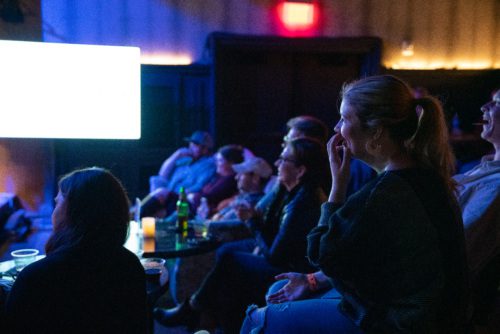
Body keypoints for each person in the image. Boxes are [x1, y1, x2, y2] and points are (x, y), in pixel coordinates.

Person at [241, 75, 469, 333]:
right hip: (435, 316)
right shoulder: (426, 177)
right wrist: (312, 281)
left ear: (377, 131)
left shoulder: (384, 193)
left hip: (401, 323)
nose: (337, 128)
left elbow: (321, 255)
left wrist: (337, 185)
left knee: (257, 320)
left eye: (345, 119)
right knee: (277, 290)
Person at [154, 137, 328, 333]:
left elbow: (275, 256)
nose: (277, 163)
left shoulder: (304, 203)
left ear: (300, 170)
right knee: (227, 257)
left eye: (283, 159)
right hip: (276, 253)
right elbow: (270, 229)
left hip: (291, 268)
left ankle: (194, 309)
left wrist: (251, 221)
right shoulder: (286, 190)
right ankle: (206, 317)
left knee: (230, 260)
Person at [5, 167, 148, 334]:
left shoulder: (36, 277)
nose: (53, 211)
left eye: (57, 203)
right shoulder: (130, 266)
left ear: (74, 212)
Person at [453, 89, 500, 324]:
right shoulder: (483, 168)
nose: (484, 107)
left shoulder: (496, 186)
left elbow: (457, 247)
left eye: (497, 102)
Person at [140, 130, 216, 217]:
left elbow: (199, 186)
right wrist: (176, 155)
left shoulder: (209, 165)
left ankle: (134, 213)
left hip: (183, 198)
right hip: (168, 195)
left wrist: (175, 194)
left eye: (202, 147)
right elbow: (162, 176)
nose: (198, 149)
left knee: (162, 192)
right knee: (156, 184)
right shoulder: (185, 160)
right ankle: (137, 214)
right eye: (195, 145)